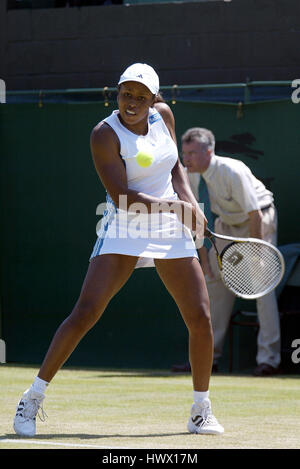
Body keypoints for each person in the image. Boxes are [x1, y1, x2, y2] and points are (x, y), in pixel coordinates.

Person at [13, 64, 224, 436]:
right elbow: (122, 197)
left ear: (155, 99)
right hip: (127, 223)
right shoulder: (104, 134)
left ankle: (200, 410)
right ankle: (32, 397)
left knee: (201, 317)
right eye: (127, 94)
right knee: (86, 312)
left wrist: (190, 202)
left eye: (142, 97)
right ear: (118, 93)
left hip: (168, 224)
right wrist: (177, 208)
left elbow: (175, 165)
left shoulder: (163, 117)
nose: (133, 102)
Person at [181, 127, 281, 377]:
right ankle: (208, 358)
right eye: (185, 153)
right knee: (213, 285)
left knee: (262, 288)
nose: (187, 159)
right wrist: (204, 261)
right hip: (224, 225)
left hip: (257, 222)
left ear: (209, 151)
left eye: (192, 153)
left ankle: (268, 359)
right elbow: (197, 220)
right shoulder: (190, 175)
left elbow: (254, 213)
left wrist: (257, 255)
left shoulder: (232, 170)